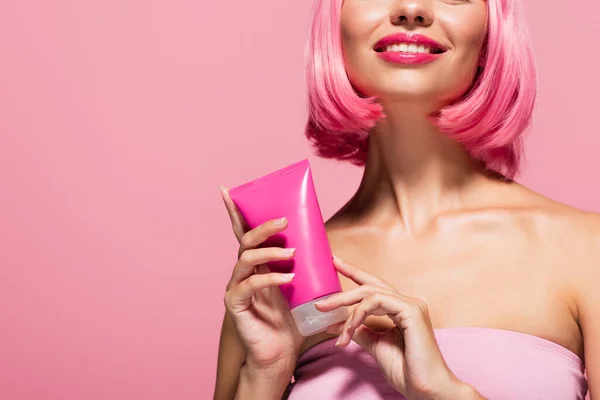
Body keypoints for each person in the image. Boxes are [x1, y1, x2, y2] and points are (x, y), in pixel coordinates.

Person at [215, 0, 599, 398]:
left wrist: (444, 393)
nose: (412, 8)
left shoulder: (586, 250)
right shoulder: (280, 274)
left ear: (490, 36)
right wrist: (265, 374)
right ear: (335, 24)